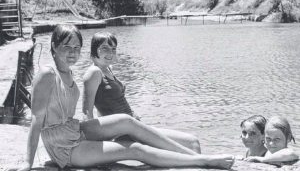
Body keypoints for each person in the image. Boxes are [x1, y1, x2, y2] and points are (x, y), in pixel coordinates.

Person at [17, 24, 234, 170]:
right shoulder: (47, 74)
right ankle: (203, 161)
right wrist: (28, 163)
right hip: (63, 146)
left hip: (73, 129)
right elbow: (37, 120)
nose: (73, 52)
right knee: (136, 150)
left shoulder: (68, 72)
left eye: (76, 47)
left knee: (126, 121)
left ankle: (190, 156)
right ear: (54, 47)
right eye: (66, 47)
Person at [82, 32, 201, 153]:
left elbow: (103, 105)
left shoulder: (107, 69)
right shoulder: (94, 72)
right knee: (191, 146)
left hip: (136, 127)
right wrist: (96, 145)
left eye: (113, 49)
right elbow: (87, 113)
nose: (110, 52)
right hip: (126, 131)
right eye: (104, 48)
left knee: (192, 141)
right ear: (94, 49)